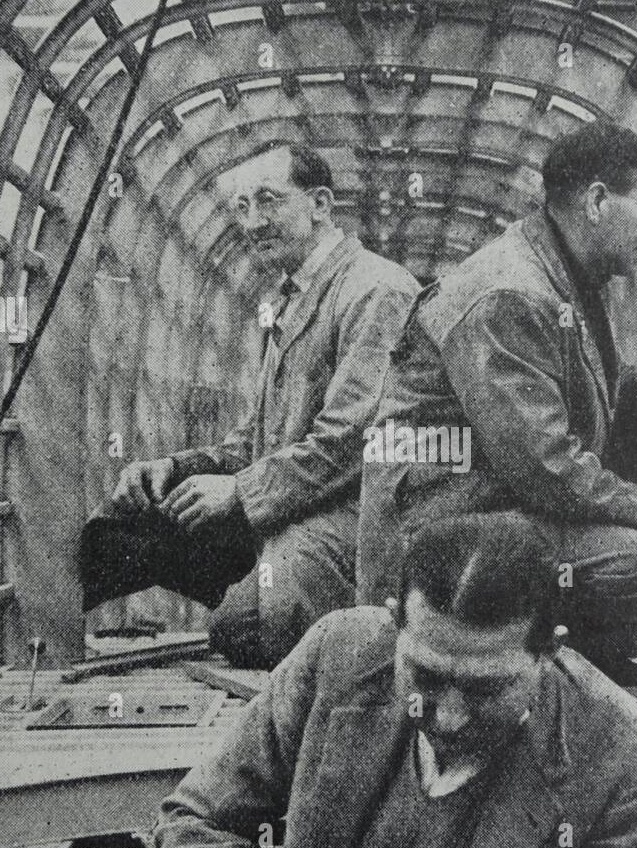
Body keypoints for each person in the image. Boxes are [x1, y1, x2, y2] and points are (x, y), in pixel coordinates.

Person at [357, 120, 637, 680]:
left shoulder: (557, 277)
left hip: (476, 509)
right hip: (433, 536)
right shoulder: (511, 293)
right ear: (598, 202)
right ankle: (544, 676)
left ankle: (563, 668)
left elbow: (609, 395)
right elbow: (543, 465)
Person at [153, 513, 637, 848]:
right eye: (425, 677)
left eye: (485, 688)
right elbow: (199, 820)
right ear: (393, 623)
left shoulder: (628, 758)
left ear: (549, 653)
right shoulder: (337, 653)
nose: (448, 718)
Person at [78, 142, 419, 667]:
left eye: (269, 201)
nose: (253, 222)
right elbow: (254, 439)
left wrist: (237, 492)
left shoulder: (374, 289)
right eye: (241, 207)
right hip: (295, 504)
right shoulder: (292, 297)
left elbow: (349, 444)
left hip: (357, 514)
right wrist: (175, 469)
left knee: (248, 625)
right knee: (117, 534)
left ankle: (348, 631)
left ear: (320, 205)